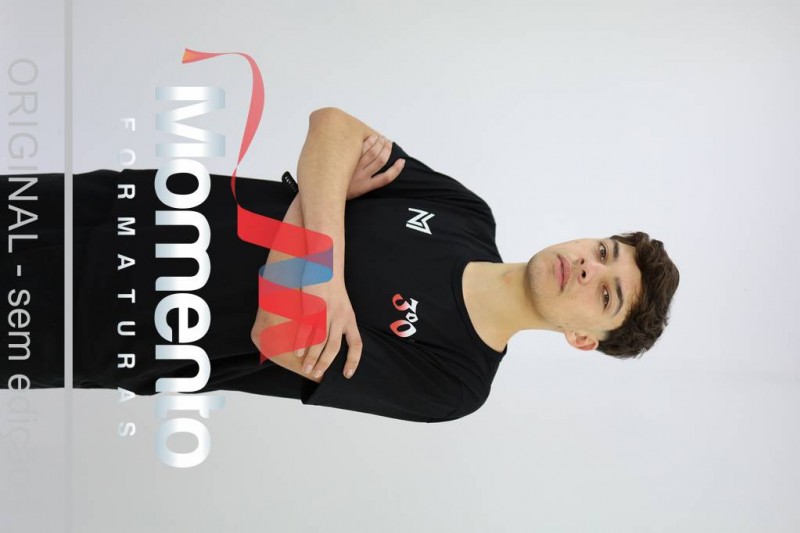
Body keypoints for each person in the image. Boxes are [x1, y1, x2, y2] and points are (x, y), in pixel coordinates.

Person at [1, 107, 679, 423]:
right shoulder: (467, 214)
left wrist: (318, 195)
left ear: (583, 338)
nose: (587, 268)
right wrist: (321, 272)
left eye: (606, 294)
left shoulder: (456, 381)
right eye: (603, 251)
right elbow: (333, 126)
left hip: (117, 324)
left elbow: (279, 336)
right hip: (131, 207)